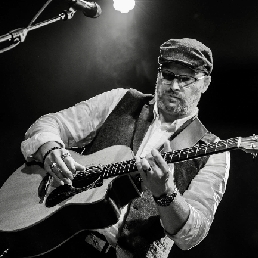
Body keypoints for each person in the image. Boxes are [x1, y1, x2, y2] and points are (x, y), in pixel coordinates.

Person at [21, 38, 230, 258]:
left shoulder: (214, 151)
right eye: (168, 75)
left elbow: (192, 235)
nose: (174, 86)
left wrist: (165, 193)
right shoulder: (121, 100)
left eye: (185, 79)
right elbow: (49, 124)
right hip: (59, 239)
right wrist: (50, 150)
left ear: (205, 83)